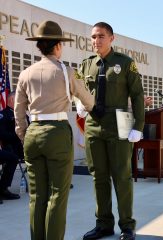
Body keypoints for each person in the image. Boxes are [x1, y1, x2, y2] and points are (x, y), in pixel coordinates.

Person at [14, 20, 94, 240]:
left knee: (37, 196)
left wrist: (24, 135)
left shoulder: (25, 74)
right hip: (57, 131)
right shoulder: (68, 72)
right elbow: (89, 102)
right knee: (57, 195)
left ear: (40, 46)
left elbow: (18, 112)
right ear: (58, 45)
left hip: (33, 132)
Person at [78, 22, 144, 240]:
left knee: (122, 176)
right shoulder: (86, 65)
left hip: (119, 124)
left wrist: (138, 127)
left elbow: (137, 96)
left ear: (112, 38)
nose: (96, 41)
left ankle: (127, 225)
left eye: (101, 36)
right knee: (99, 177)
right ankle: (103, 224)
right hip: (94, 125)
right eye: (93, 37)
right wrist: (77, 101)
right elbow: (77, 89)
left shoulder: (125, 64)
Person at [0, 92, 22, 201]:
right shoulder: (4, 115)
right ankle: (3, 189)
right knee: (12, 157)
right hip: (11, 146)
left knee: (45, 151)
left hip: (23, 145)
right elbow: (3, 134)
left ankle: (52, 182)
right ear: (12, 99)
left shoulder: (22, 114)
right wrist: (19, 136)